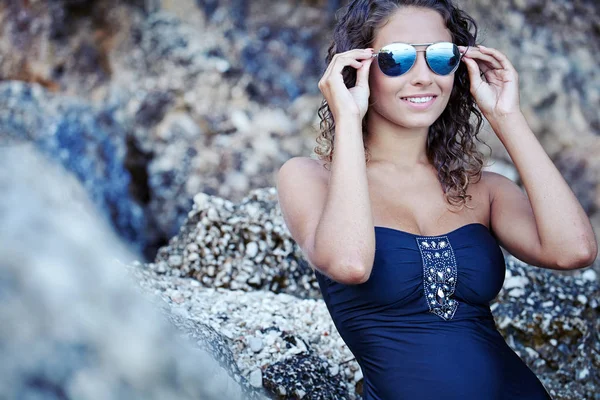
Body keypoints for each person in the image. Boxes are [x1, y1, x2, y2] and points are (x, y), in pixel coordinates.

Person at [276, 0, 597, 399]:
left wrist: (506, 116)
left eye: (442, 58)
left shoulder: (483, 188)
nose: (424, 77)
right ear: (356, 66)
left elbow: (575, 251)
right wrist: (347, 119)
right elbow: (350, 263)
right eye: (397, 59)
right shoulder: (309, 178)